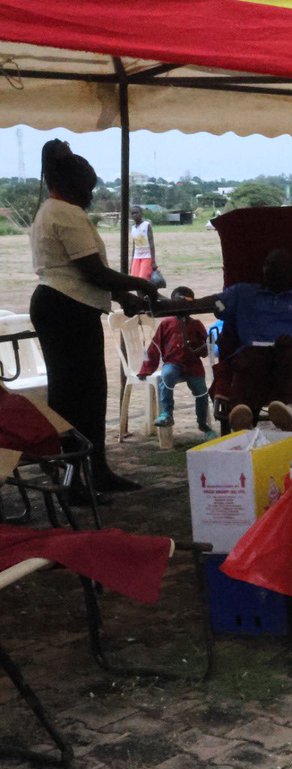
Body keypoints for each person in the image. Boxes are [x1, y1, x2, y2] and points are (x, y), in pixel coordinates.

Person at [29, 140, 159, 500]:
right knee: (76, 397)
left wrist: (124, 297)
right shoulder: (65, 213)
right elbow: (93, 271)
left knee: (87, 393)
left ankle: (96, 470)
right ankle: (75, 482)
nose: (89, 195)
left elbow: (85, 273)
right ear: (71, 185)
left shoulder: (49, 210)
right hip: (65, 310)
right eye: (87, 188)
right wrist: (140, 285)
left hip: (64, 305)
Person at [164, 249, 292, 432]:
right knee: (249, 360)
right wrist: (163, 306)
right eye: (267, 265)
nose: (269, 270)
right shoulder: (243, 293)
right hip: (254, 351)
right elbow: (206, 303)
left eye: (277, 266)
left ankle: (290, 411)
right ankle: (243, 412)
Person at [138, 285, 217, 439]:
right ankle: (167, 413)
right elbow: (154, 348)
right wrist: (145, 369)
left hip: (193, 366)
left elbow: (204, 351)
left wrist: (207, 345)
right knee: (167, 376)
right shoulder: (166, 324)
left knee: (201, 391)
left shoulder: (196, 325)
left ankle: (203, 424)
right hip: (173, 363)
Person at [130, 205, 156, 281]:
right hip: (137, 257)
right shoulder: (133, 228)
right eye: (132, 213)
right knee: (134, 280)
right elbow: (134, 245)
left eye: (136, 213)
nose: (134, 215)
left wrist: (153, 261)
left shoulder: (146, 225)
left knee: (142, 280)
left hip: (147, 256)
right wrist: (132, 262)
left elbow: (151, 243)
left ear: (141, 213)